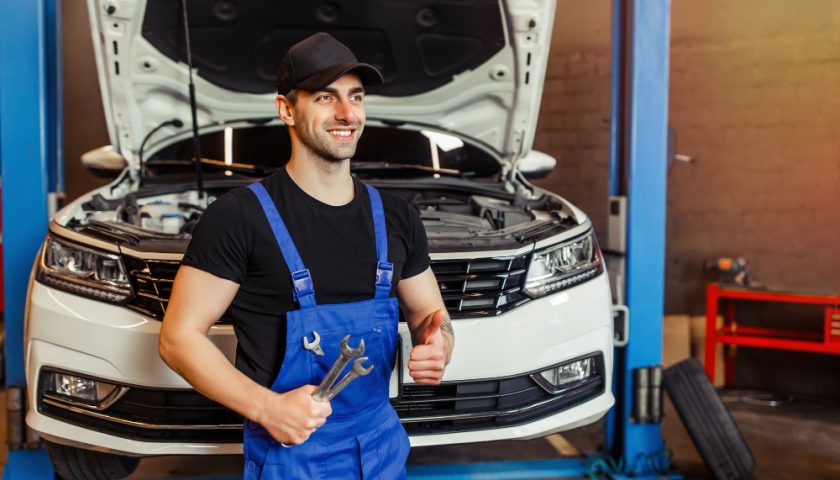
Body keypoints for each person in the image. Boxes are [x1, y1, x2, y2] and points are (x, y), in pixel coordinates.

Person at [159, 32, 454, 478]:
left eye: (355, 97)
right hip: (291, 453)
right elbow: (177, 338)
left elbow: (430, 313)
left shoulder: (395, 216)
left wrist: (440, 345)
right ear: (286, 109)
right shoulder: (239, 217)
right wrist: (266, 407)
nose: (346, 113)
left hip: (381, 447)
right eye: (324, 97)